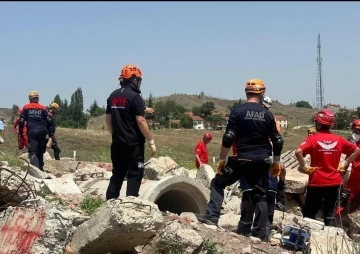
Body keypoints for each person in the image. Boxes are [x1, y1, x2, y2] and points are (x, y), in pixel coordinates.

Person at [196, 79, 284, 241]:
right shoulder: (268, 115)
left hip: (241, 159)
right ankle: (260, 235)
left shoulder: (237, 111)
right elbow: (277, 140)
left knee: (218, 183)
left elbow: (229, 136)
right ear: (262, 93)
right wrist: (276, 162)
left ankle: (211, 217)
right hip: (262, 160)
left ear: (246, 93)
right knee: (261, 194)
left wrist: (222, 159)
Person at [295, 109, 360, 226]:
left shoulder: (312, 139)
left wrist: (305, 167)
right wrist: (344, 164)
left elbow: (298, 151)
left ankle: (309, 237)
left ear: (318, 124)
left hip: (317, 182)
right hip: (334, 182)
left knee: (309, 213)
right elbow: (356, 150)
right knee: (330, 214)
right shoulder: (339, 139)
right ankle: (329, 240)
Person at [105, 64, 156, 200]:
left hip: (117, 143)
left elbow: (108, 119)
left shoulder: (112, 96)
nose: (140, 83)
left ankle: (110, 201)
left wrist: (114, 135)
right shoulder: (135, 97)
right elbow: (141, 121)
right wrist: (150, 141)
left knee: (118, 173)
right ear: (134, 80)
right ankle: (131, 203)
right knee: (135, 173)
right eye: (139, 80)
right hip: (133, 145)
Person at [261, 95, 286, 241]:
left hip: (258, 151)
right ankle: (265, 231)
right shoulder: (270, 118)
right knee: (269, 195)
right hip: (265, 151)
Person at [19, 91, 55, 171]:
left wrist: (21, 132)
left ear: (30, 98)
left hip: (33, 131)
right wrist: (51, 133)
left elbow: (21, 120)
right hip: (43, 132)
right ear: (37, 98)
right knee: (40, 151)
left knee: (32, 152)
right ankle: (41, 169)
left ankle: (36, 171)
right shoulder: (43, 107)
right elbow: (49, 120)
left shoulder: (26, 107)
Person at [336, 119, 360, 216]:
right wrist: (342, 169)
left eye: (358, 131)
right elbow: (347, 159)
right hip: (354, 179)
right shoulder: (353, 145)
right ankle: (337, 219)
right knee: (344, 198)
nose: (355, 133)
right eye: (354, 131)